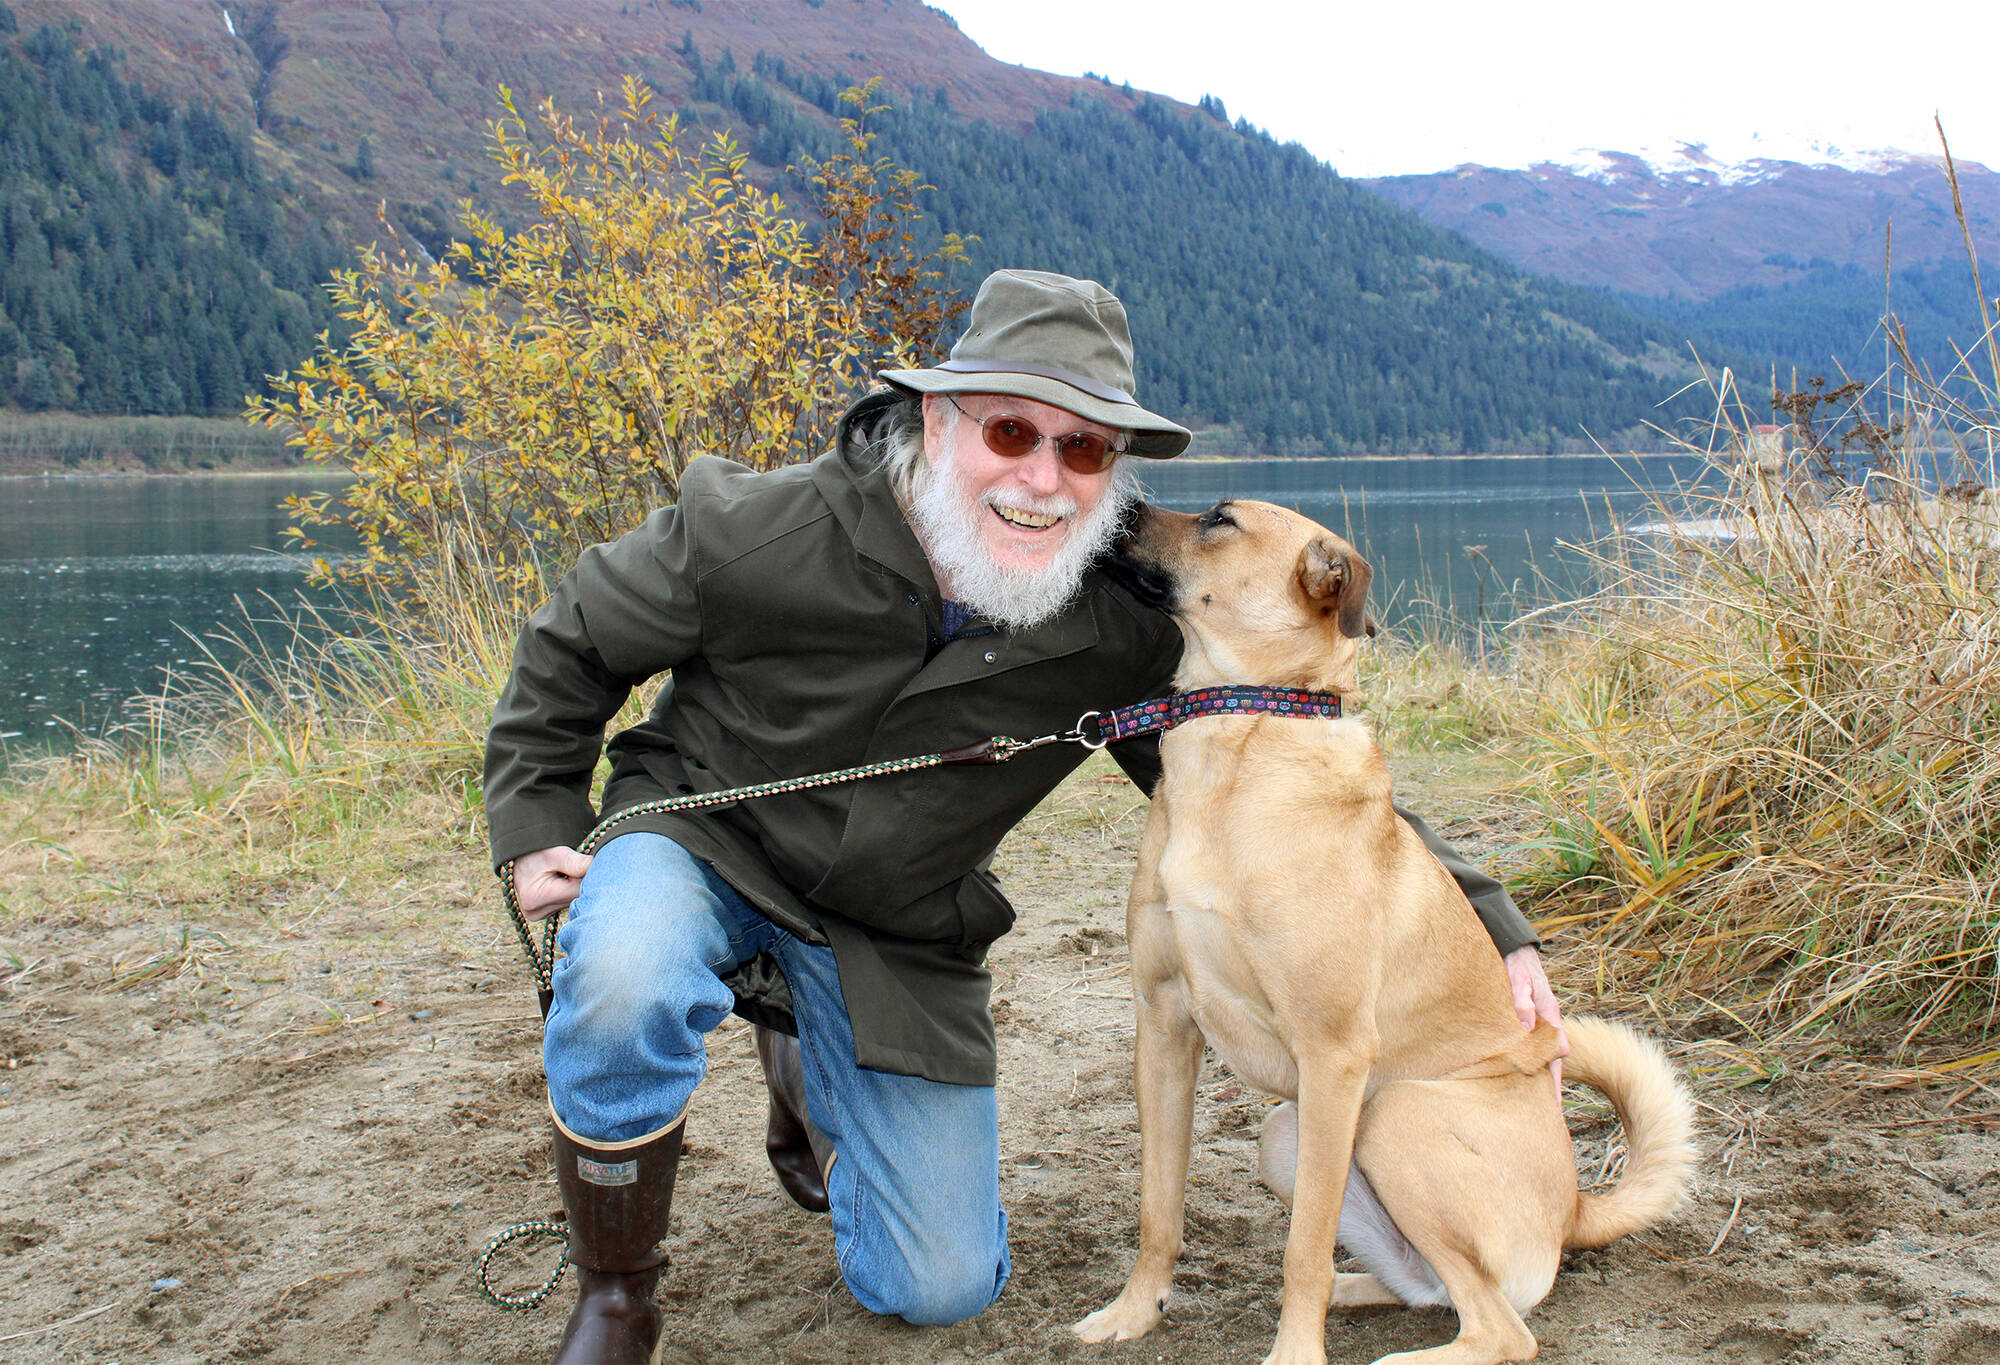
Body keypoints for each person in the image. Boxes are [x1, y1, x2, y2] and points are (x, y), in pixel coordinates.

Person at [482, 269, 1565, 1363]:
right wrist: (537, 826)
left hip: (889, 928)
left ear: (1110, 470)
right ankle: (615, 1301)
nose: (1041, 478)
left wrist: (1492, 924)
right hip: (699, 843)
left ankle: (808, 1059)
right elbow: (569, 647)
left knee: (940, 1285)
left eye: (1083, 450)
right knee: (622, 972)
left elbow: (1315, 800)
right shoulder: (751, 526)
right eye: (1010, 430)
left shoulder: (1116, 622)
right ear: (936, 419)